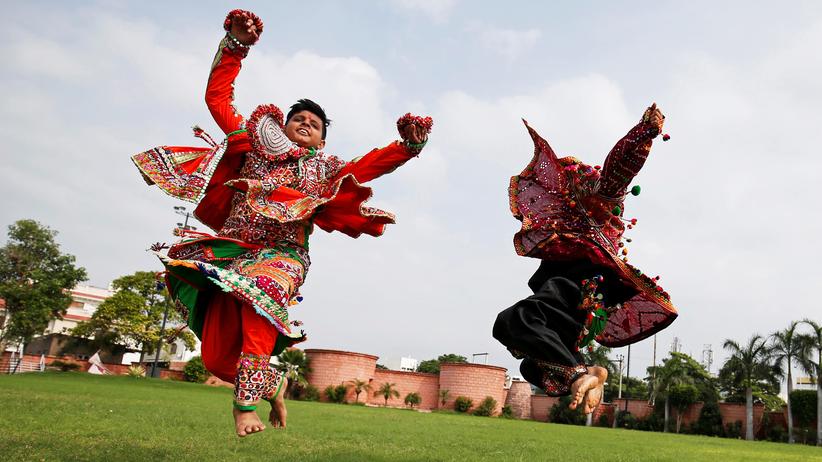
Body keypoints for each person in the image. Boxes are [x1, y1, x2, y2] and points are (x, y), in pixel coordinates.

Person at [132, 9, 432, 436]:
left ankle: (244, 406)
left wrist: (407, 146)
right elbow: (219, 100)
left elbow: (368, 166)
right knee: (217, 360)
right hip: (232, 253)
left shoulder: (324, 169)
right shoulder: (256, 146)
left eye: (314, 124)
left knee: (263, 292)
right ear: (282, 127)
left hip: (283, 256)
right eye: (298, 120)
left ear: (322, 140)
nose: (305, 125)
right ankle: (273, 383)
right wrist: (236, 45)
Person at [493, 104, 676, 414]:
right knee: (533, 368)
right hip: (582, 299)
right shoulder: (567, 230)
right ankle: (587, 371)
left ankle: (579, 374)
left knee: (513, 321)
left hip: (582, 282)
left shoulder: (600, 202)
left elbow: (619, 170)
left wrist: (644, 132)